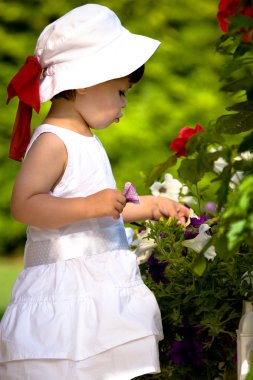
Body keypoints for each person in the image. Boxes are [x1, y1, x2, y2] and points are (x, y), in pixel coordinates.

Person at [0, 4, 189, 380]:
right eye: (120, 92)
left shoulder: (87, 139)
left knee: (106, 368)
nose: (124, 105)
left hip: (99, 291)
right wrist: (89, 205)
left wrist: (151, 206)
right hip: (67, 296)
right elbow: (24, 204)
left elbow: (103, 212)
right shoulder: (54, 142)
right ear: (86, 80)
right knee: (67, 366)